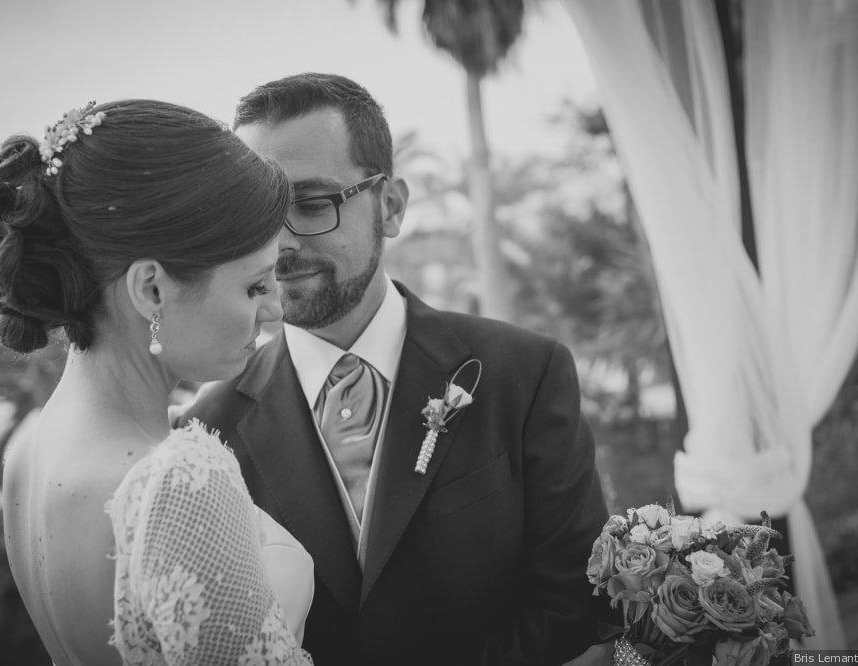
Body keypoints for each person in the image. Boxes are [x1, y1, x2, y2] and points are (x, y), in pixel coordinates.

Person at [175, 73, 617, 665]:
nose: (279, 243)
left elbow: (576, 605)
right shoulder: (208, 433)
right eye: (258, 212)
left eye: (313, 204)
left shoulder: (526, 373)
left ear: (390, 206)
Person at [0, 99, 314, 666]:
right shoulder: (179, 480)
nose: (275, 312)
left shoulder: (29, 451)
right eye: (255, 287)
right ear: (151, 290)